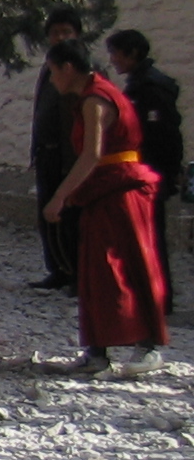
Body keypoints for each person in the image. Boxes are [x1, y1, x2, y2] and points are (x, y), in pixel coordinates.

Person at [42, 39, 168, 376]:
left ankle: (148, 346)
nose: (52, 80)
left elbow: (92, 154)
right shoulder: (96, 94)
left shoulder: (95, 100)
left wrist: (60, 196)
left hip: (121, 189)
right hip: (105, 189)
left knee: (127, 264)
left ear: (68, 69)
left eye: (53, 72)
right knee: (96, 269)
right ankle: (97, 351)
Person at [108, 29, 181, 313]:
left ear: (133, 53)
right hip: (147, 170)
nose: (113, 60)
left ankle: (160, 299)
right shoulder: (140, 85)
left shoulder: (150, 89)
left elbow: (164, 135)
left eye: (117, 53)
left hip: (151, 172)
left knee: (152, 236)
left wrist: (165, 172)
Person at [30, 8, 84, 291]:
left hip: (69, 155)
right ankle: (58, 269)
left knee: (70, 216)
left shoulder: (82, 68)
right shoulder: (49, 66)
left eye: (66, 32)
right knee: (47, 214)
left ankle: (78, 272)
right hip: (47, 153)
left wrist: (71, 160)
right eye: (55, 33)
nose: (60, 38)